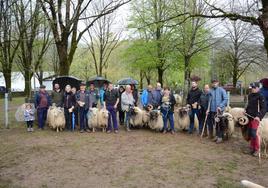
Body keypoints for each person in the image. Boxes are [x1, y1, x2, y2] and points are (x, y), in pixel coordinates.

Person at [245, 82, 266, 156]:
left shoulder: (261, 96)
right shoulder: (250, 95)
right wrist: (245, 110)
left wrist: (259, 116)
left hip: (256, 118)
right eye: (251, 88)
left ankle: (257, 149)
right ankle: (252, 148)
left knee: (254, 133)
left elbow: (264, 108)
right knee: (250, 133)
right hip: (249, 116)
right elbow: (249, 105)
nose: (252, 89)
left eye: (253, 88)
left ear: (257, 88)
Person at [207, 79, 228, 143]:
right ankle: (216, 135)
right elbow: (209, 101)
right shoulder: (211, 91)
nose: (214, 84)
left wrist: (220, 106)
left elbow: (225, 99)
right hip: (212, 110)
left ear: (218, 83)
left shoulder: (222, 90)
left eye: (215, 83)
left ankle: (220, 137)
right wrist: (208, 109)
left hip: (219, 110)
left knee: (220, 124)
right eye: (213, 83)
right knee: (215, 123)